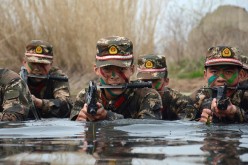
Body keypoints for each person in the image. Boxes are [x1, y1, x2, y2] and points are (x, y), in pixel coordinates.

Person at [70, 36, 162, 121]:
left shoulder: (147, 96)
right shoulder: (85, 96)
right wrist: (81, 122)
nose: (114, 76)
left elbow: (148, 129)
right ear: (96, 70)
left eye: (121, 69)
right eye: (107, 69)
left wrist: (107, 116)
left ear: (132, 69)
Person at [185, 46, 248, 123]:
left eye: (228, 72)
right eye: (214, 72)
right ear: (205, 75)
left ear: (241, 75)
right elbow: (183, 126)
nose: (221, 79)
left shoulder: (245, 96)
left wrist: (235, 112)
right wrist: (201, 123)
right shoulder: (196, 98)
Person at [21, 40, 72, 118]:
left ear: (51, 64)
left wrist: (40, 103)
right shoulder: (17, 80)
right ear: (24, 62)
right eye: (33, 64)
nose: (37, 69)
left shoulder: (58, 77)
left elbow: (66, 106)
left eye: (42, 64)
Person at [136, 54, 190, 120]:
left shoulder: (180, 102)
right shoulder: (131, 98)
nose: (150, 86)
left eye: (155, 81)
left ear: (166, 81)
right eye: (145, 81)